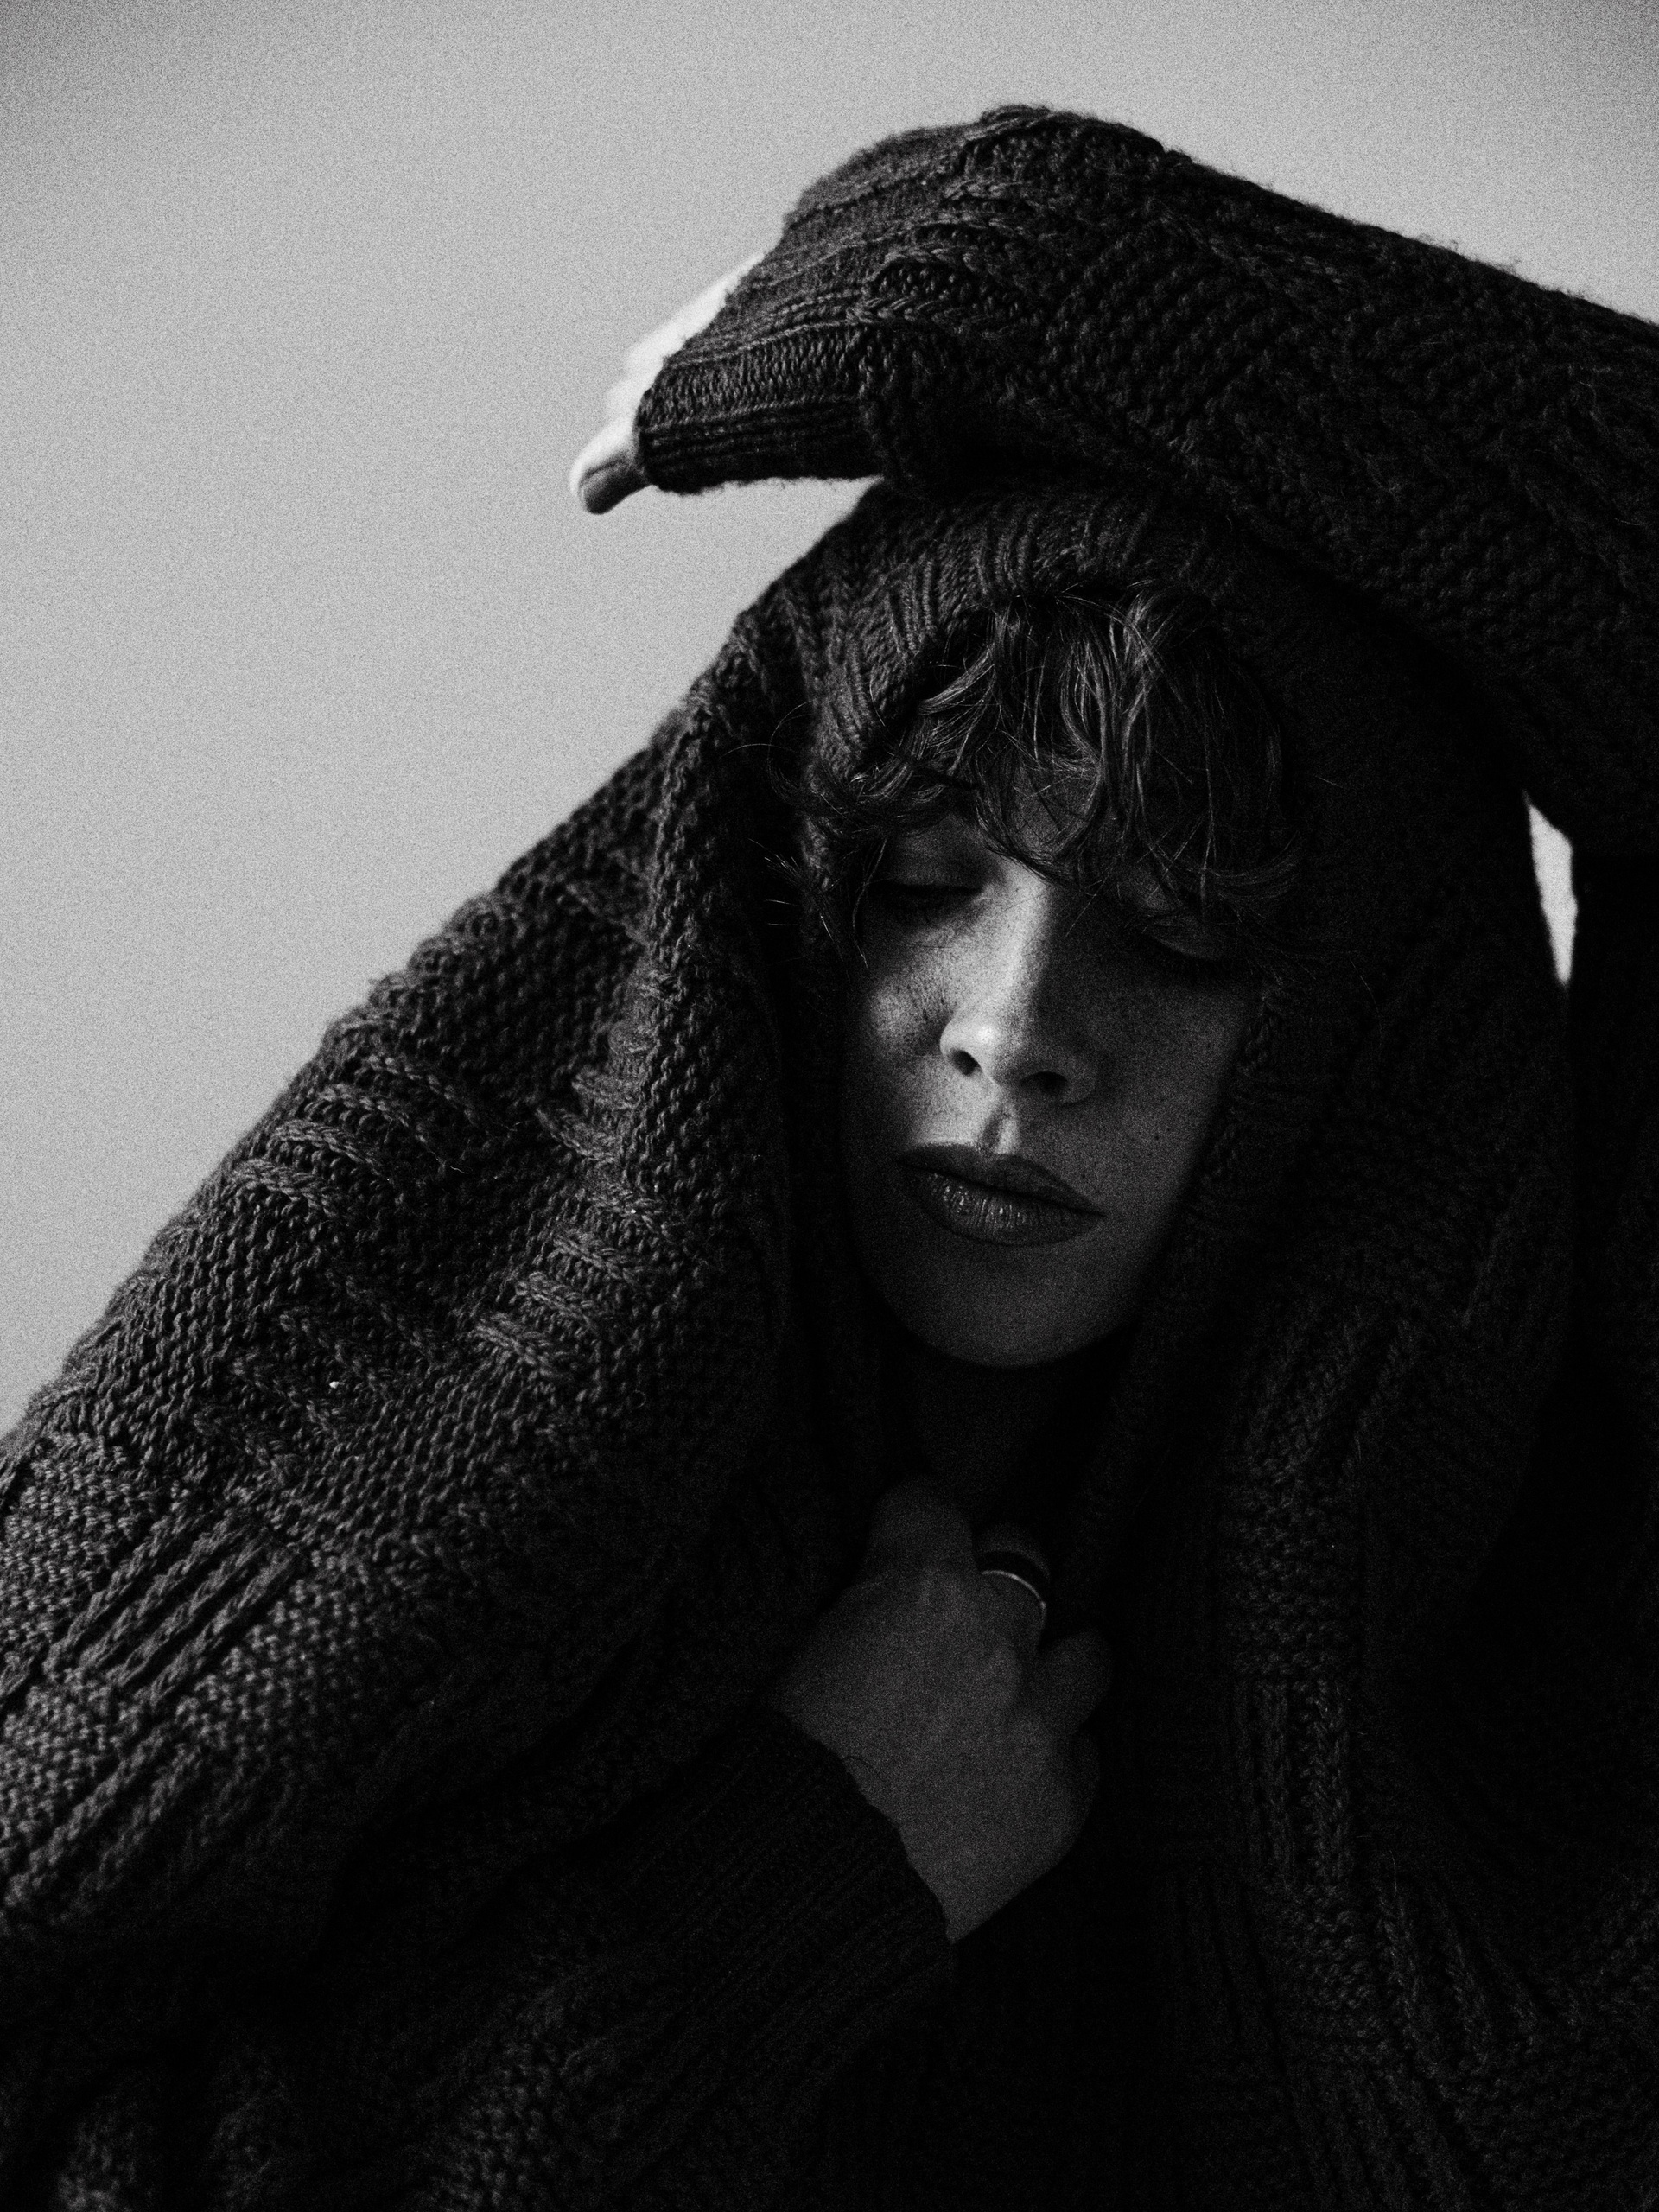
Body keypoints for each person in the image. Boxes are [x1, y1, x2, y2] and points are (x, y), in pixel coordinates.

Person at [0, 104, 1654, 2209]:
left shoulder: (1543, 1607)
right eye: (921, 882)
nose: (1015, 1027)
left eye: (1181, 936)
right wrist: (781, 1895)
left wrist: (1006, 272)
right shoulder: (340, 1425)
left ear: (1374, 1039)